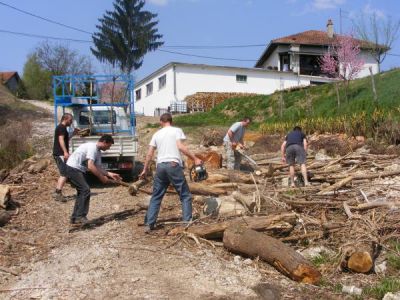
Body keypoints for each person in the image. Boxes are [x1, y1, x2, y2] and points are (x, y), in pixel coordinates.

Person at [140, 113, 202, 233]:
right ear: (171, 121)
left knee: (156, 196)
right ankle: (187, 224)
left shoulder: (156, 134)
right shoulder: (176, 130)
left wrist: (145, 169)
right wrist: (195, 159)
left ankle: (149, 224)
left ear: (161, 122)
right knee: (185, 195)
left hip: (160, 166)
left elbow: (149, 154)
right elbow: (180, 147)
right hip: (173, 165)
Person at [65, 135, 122, 225]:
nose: (109, 148)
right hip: (72, 168)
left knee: (82, 191)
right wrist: (102, 178)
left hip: (77, 169)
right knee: (85, 190)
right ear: (104, 142)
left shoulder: (98, 152)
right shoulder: (92, 147)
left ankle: (75, 217)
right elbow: (90, 166)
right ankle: (80, 217)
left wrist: (110, 174)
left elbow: (98, 168)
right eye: (109, 146)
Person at [52, 113, 74, 202]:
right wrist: (65, 152)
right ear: (65, 119)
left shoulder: (62, 128)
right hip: (60, 153)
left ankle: (57, 192)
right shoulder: (61, 127)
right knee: (64, 173)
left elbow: (65, 140)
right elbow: (61, 140)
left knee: (64, 173)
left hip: (60, 153)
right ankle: (57, 193)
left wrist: (74, 133)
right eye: (70, 120)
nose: (71, 122)